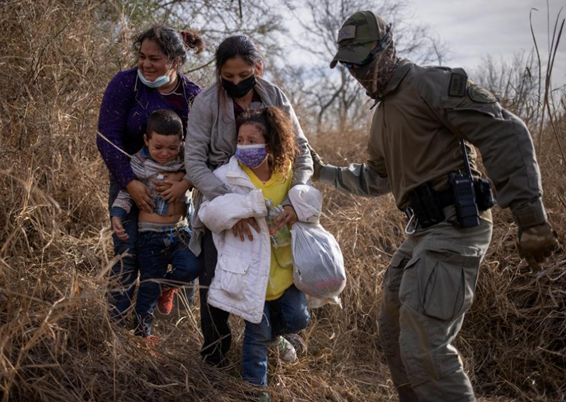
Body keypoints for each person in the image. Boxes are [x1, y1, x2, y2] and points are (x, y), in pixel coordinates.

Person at [310, 10, 560, 402]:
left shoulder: (430, 84)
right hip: (423, 234)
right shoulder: (382, 117)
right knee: (393, 336)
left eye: (364, 60)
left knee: (425, 348)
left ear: (387, 49)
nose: (358, 72)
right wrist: (322, 173)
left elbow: (505, 131)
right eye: (349, 65)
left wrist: (531, 219)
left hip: (455, 228)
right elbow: (377, 179)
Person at [185, 35, 313, 367]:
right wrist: (234, 208)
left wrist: (293, 202)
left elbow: (302, 156)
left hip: (273, 206)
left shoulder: (275, 97)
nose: (237, 83)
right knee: (214, 280)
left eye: (244, 75)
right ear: (218, 73)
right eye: (228, 77)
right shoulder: (206, 103)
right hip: (220, 200)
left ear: (258, 67)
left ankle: (272, 338)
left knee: (276, 277)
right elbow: (195, 163)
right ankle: (214, 354)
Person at [197, 107, 311, 391]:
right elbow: (208, 214)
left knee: (299, 317)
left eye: (251, 141)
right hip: (249, 271)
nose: (243, 146)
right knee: (256, 336)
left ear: (269, 145)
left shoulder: (285, 175)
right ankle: (254, 390)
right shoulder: (227, 176)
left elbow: (308, 202)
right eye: (240, 140)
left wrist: (295, 209)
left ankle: (279, 336)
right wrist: (244, 208)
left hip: (283, 268)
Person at [97, 25, 203, 326]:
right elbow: (107, 136)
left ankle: (179, 331)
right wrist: (130, 184)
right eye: (142, 56)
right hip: (129, 181)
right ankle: (118, 327)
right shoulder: (125, 84)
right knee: (127, 254)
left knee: (185, 255)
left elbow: (204, 149)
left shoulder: (193, 97)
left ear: (175, 61)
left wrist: (184, 182)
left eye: (154, 58)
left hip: (178, 190)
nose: (145, 64)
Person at [110, 110, 200, 338]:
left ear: (181, 141)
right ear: (146, 140)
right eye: (158, 147)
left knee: (194, 265)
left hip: (180, 231)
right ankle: (143, 334)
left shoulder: (188, 159)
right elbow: (125, 193)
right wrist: (117, 215)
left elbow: (202, 170)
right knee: (148, 289)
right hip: (150, 236)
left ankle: (167, 286)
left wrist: (183, 181)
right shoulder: (139, 165)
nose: (165, 153)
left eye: (172, 147)